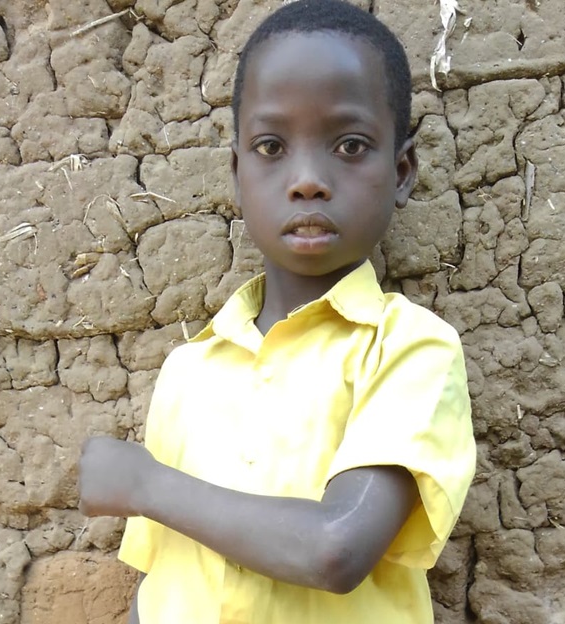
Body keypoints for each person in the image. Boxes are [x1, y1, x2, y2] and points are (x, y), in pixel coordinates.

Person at [78, 0, 476, 621]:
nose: (308, 180)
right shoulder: (190, 370)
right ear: (237, 174)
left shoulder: (408, 349)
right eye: (271, 146)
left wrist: (144, 485)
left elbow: (338, 548)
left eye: (349, 145)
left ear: (401, 172)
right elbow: (167, 584)